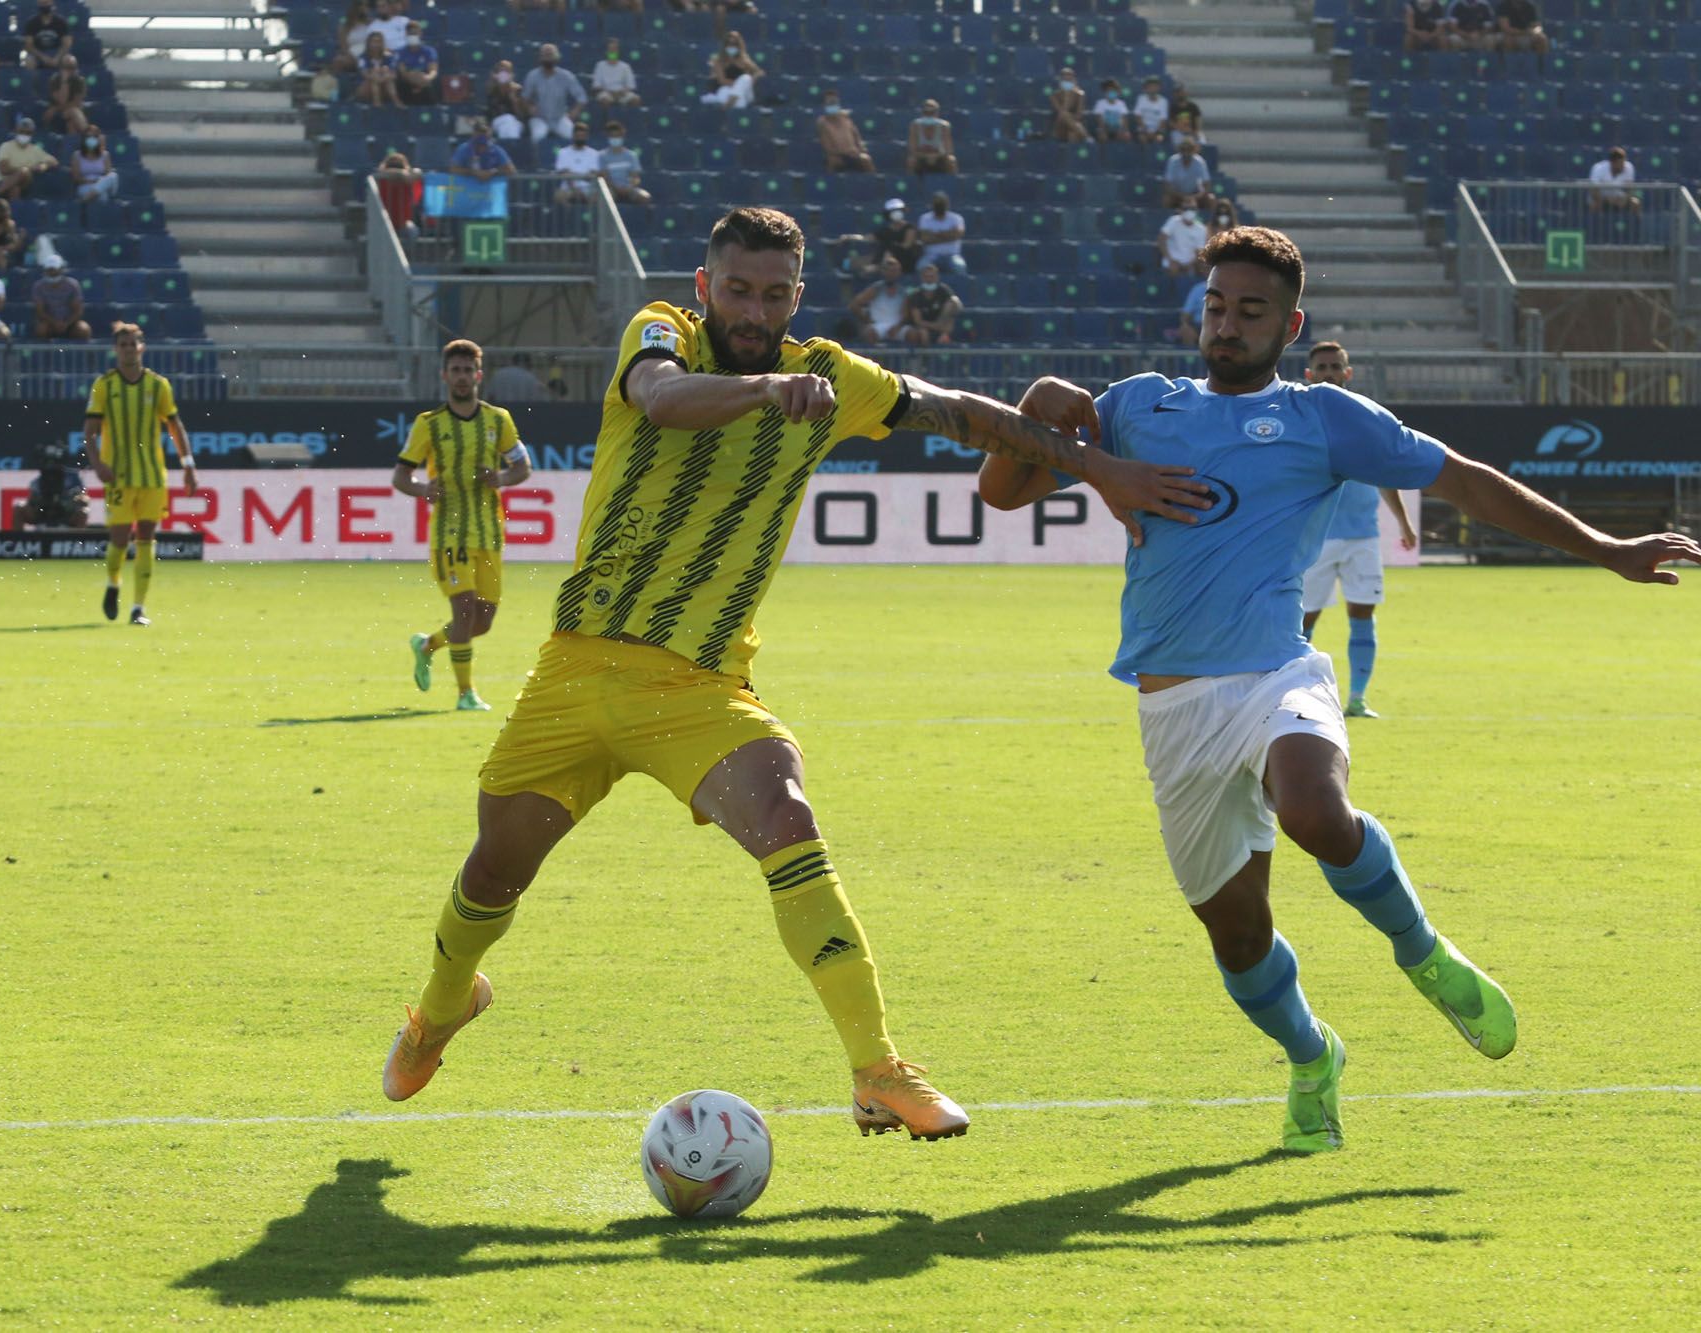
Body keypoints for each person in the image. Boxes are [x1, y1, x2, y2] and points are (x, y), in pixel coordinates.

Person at [378, 205, 1206, 1138]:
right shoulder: (662, 333)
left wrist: (1097, 469)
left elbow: (960, 414)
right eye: (737, 288)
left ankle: (878, 1068)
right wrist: (768, 390)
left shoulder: (831, 377)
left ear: (796, 298)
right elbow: (659, 396)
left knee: (788, 819)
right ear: (705, 287)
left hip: (699, 686)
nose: (752, 307)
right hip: (576, 673)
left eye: (774, 295)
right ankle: (441, 1009)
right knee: (495, 871)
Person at [978, 225, 1701, 1153]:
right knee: (1239, 942)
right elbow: (1004, 490)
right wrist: (1041, 407)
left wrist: (1606, 549)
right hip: (1172, 709)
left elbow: (1469, 484)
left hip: (1278, 673)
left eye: (1251, 311)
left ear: (1291, 323)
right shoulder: (1136, 407)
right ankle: (1315, 1057)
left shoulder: (1326, 417)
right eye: (1217, 307)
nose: (1228, 326)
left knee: (1315, 808)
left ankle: (1424, 953)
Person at [394, 339, 532, 712]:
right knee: (465, 610)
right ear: (445, 376)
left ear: (478, 375)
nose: (461, 377)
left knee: (482, 623)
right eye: (455, 370)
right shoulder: (429, 424)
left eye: (467, 370)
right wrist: (424, 489)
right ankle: (465, 694)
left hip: (489, 531)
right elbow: (401, 477)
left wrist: (501, 479)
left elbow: (522, 466)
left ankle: (427, 646)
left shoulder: (498, 420)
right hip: (449, 533)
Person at [1297, 342, 1420, 720]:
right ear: (1309, 374)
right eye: (1322, 367)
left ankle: (1358, 699)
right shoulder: (1300, 418)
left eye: (1336, 366)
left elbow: (1383, 472)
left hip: (1362, 537)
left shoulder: (1366, 417)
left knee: (1362, 613)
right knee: (1302, 622)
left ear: (1348, 373)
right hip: (1316, 538)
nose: (1329, 372)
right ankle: (1294, 696)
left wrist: (1402, 521)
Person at [86, 321, 196, 626]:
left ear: (142, 347)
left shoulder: (158, 385)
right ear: (116, 349)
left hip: (152, 475)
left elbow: (175, 425)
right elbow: (90, 431)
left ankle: (138, 608)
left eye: (133, 344)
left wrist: (188, 465)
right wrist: (97, 464)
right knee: (120, 538)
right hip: (118, 475)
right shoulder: (105, 385)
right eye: (123, 345)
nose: (128, 349)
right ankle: (113, 583)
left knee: (147, 536)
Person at [12, 438, 88, 529]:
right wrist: (37, 501)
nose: (52, 465)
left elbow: (84, 498)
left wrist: (74, 500)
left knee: (82, 513)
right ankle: (18, 541)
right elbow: (31, 501)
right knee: (19, 509)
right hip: (42, 512)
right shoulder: (38, 479)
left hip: (66, 512)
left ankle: (78, 542)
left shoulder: (73, 476)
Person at [519, 42, 582, 141]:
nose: (548, 58)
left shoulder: (566, 76)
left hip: (560, 118)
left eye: (550, 54)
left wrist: (574, 111)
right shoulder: (532, 76)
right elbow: (524, 97)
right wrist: (529, 107)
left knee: (572, 137)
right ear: (540, 57)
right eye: (545, 55)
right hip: (539, 118)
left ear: (557, 57)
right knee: (537, 138)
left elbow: (581, 97)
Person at [847, 252, 907, 345]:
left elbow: (905, 313)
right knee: (869, 333)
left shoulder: (903, 292)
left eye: (895, 271)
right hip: (878, 325)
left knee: (913, 334)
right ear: (883, 272)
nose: (892, 273)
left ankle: (914, 359)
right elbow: (854, 305)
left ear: (899, 272)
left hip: (897, 326)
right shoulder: (875, 289)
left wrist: (898, 327)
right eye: (889, 270)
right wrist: (867, 320)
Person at [0, 117, 57, 201]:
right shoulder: (6, 146)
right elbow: (4, 169)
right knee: (16, 186)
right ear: (16, 131)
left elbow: (54, 162)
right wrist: (26, 169)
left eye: (28, 133)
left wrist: (43, 166)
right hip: (2, 182)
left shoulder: (35, 150)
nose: (24, 135)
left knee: (22, 178)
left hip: (25, 185)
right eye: (21, 132)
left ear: (32, 134)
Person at [899, 261, 960, 346]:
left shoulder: (944, 291)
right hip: (923, 327)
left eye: (932, 276)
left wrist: (942, 324)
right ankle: (924, 357)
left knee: (950, 317)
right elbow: (918, 321)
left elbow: (956, 305)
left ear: (937, 277)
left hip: (941, 324)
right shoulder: (916, 295)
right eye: (926, 277)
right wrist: (937, 326)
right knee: (923, 333)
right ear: (922, 278)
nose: (929, 280)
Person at [700, 30, 760, 109]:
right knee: (730, 94)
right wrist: (738, 84)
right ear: (725, 46)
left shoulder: (745, 60)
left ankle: (727, 105)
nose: (732, 47)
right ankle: (731, 104)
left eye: (735, 44)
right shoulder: (718, 61)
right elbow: (723, 81)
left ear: (739, 46)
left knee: (746, 78)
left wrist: (751, 80)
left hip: (745, 92)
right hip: (727, 90)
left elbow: (759, 72)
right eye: (729, 44)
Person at [816, 89, 872, 173]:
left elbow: (857, 137)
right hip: (837, 155)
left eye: (835, 103)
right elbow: (827, 147)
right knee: (832, 162)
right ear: (824, 105)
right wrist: (844, 153)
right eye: (830, 103)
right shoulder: (822, 123)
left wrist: (861, 150)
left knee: (866, 159)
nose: (833, 105)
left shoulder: (846, 119)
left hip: (854, 154)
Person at [915, 191, 966, 279]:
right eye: (937, 203)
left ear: (947, 204)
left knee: (960, 267)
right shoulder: (925, 218)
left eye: (942, 203)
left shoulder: (956, 218)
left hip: (952, 255)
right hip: (931, 256)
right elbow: (925, 238)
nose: (939, 206)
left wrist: (934, 235)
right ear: (932, 204)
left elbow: (958, 234)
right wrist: (948, 235)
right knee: (920, 267)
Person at [597, 121, 649, 205]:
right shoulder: (602, 156)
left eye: (617, 136)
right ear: (608, 137)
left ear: (622, 136)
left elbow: (635, 177)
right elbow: (605, 177)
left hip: (629, 188)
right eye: (612, 136)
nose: (615, 138)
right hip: (611, 188)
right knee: (607, 198)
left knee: (645, 197)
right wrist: (616, 188)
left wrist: (629, 188)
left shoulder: (631, 155)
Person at [906, 98, 957, 176]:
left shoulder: (944, 126)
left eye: (932, 112)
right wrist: (926, 156)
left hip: (939, 157)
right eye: (927, 112)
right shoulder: (915, 126)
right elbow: (912, 150)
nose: (929, 115)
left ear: (937, 113)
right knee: (911, 161)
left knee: (951, 160)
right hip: (921, 157)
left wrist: (935, 156)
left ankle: (951, 184)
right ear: (922, 113)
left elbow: (949, 150)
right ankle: (911, 185)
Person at [552, 120, 599, 205]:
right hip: (568, 188)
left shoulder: (594, 154)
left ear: (587, 136)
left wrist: (573, 174)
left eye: (582, 136)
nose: (580, 138)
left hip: (588, 189)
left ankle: (591, 217)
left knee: (599, 197)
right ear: (573, 136)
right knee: (558, 195)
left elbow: (592, 175)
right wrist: (575, 189)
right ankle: (568, 217)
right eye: (578, 136)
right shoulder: (563, 152)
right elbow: (564, 174)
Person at [393, 20, 438, 107]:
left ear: (420, 34)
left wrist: (426, 78)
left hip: (424, 81)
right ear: (406, 35)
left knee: (428, 88)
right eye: (410, 33)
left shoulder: (429, 51)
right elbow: (403, 73)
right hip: (407, 83)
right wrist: (416, 81)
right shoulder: (400, 52)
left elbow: (433, 71)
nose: (413, 36)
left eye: (415, 33)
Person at [1163, 138, 1214, 212]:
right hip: (1177, 195)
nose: (1186, 153)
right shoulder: (1173, 161)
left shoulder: (1200, 162)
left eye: (1189, 150)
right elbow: (1167, 185)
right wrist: (1182, 196)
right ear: (1180, 150)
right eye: (1183, 150)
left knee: (1211, 198)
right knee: (1166, 199)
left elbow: (1207, 185)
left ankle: (1210, 221)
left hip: (1196, 195)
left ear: (1194, 150)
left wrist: (1195, 196)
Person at [43, 52, 88, 136]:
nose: (70, 70)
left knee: (71, 124)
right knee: (74, 112)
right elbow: (61, 100)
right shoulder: (55, 80)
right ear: (61, 68)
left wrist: (55, 108)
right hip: (57, 115)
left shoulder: (80, 81)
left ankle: (83, 142)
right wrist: (64, 81)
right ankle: (90, 139)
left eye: (73, 67)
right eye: (67, 67)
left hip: (68, 111)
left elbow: (76, 103)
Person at [1158, 204, 1209, 277]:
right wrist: (1170, 259)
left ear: (1196, 211)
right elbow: (1161, 239)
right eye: (1186, 209)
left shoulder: (1201, 229)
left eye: (1192, 209)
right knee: (1173, 269)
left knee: (1204, 268)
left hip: (1191, 263)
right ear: (1181, 210)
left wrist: (1190, 264)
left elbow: (1199, 251)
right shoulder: (1173, 221)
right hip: (1172, 260)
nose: (1189, 212)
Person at [449, 124, 513, 181]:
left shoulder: (496, 150)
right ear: (473, 137)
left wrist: (493, 172)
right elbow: (453, 169)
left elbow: (511, 170)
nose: (481, 146)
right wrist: (474, 172)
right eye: (478, 141)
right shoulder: (464, 148)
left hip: (489, 192)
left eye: (484, 141)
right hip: (467, 190)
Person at [21, 0, 72, 71]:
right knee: (29, 61)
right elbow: (28, 46)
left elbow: (67, 44)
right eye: (42, 3)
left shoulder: (61, 22)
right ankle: (33, 82)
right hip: (38, 54)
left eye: (46, 3)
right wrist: (43, 57)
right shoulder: (31, 23)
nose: (44, 5)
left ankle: (64, 82)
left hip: (57, 52)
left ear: (52, 3)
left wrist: (57, 58)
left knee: (69, 60)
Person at [70, 126, 117, 203]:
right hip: (85, 186)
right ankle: (89, 199)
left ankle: (83, 200)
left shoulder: (105, 155)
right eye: (88, 136)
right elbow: (76, 178)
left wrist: (99, 182)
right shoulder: (76, 155)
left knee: (113, 175)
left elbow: (108, 175)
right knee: (101, 194)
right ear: (84, 139)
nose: (91, 139)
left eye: (94, 136)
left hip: (103, 184)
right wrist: (92, 181)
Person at [355, 31, 401, 108]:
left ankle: (395, 101)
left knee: (385, 69)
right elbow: (364, 74)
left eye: (379, 42)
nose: (376, 45)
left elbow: (394, 75)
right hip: (366, 89)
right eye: (374, 42)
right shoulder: (362, 57)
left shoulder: (389, 57)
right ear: (368, 43)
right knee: (374, 73)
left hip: (385, 87)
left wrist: (382, 78)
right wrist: (377, 77)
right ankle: (377, 103)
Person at [1588, 146, 1639, 213]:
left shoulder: (1629, 167)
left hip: (1619, 197)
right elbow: (1593, 191)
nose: (1623, 166)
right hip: (1601, 197)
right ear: (1612, 162)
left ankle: (1634, 223)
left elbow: (1630, 189)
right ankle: (1595, 223)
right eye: (1621, 163)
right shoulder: (1598, 168)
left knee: (1635, 202)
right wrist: (1606, 200)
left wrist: (1625, 198)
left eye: (1624, 162)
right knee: (1594, 204)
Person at [591, 38, 638, 108]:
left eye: (615, 49)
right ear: (607, 51)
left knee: (635, 99)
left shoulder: (625, 66)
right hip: (606, 93)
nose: (612, 51)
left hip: (622, 93)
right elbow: (596, 86)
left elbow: (631, 86)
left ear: (618, 51)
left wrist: (621, 92)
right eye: (610, 49)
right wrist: (610, 92)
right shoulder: (600, 65)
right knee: (605, 100)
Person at [1049, 68, 1086, 143]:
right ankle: (1085, 136)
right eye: (1065, 80)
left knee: (1072, 134)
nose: (1067, 83)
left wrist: (1071, 119)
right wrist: (1067, 96)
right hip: (1060, 126)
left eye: (1069, 80)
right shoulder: (1054, 96)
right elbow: (1061, 114)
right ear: (1061, 82)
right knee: (1064, 114)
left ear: (1074, 81)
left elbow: (1079, 115)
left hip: (1075, 125)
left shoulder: (1080, 95)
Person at [1132, 76, 1170, 145]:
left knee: (1159, 139)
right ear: (1146, 88)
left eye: (1155, 86)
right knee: (1142, 139)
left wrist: (1155, 132)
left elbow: (1163, 120)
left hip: (1158, 131)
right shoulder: (1141, 98)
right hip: (1143, 130)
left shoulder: (1164, 101)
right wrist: (1146, 130)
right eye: (1150, 86)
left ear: (1159, 88)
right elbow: (1137, 116)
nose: (1153, 88)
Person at [1091, 79, 1131, 143]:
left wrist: (1123, 130)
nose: (1111, 92)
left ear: (1117, 92)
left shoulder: (1121, 104)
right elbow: (1099, 119)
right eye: (1108, 90)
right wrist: (1104, 129)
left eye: (1113, 90)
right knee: (1102, 136)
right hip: (1104, 128)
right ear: (1105, 92)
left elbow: (1124, 119)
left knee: (1126, 136)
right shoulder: (1100, 103)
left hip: (1118, 129)